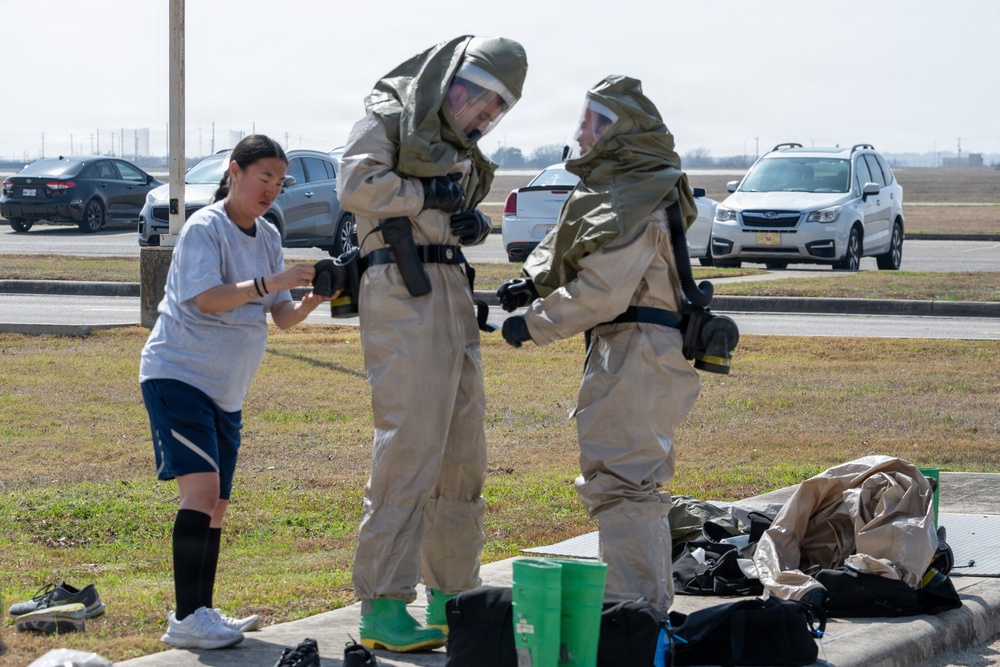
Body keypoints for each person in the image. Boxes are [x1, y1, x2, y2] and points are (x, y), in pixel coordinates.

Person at [337, 35, 527, 652]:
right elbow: (358, 184)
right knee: (410, 447)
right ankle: (383, 604)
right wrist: (428, 196)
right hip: (400, 286)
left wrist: (467, 221)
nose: (486, 118)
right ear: (457, 84)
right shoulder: (388, 117)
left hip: (449, 289)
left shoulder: (453, 143)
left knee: (462, 453)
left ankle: (454, 595)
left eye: (499, 112)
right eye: (484, 103)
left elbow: (446, 206)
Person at [497, 75, 702, 612]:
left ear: (619, 131)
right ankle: (645, 612)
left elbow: (605, 289)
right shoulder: (626, 191)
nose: (581, 132)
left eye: (593, 121)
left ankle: (635, 615)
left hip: (636, 350)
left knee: (623, 484)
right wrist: (533, 282)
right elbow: (586, 249)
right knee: (632, 485)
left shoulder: (636, 198)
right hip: (636, 349)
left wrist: (535, 321)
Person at [139, 134, 330, 650]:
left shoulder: (268, 236)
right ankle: (185, 619)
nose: (271, 189)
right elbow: (206, 299)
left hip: (226, 391)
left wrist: (313, 296)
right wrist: (271, 283)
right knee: (199, 493)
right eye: (263, 177)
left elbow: (284, 318)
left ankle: (201, 611)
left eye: (280, 182)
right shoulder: (207, 227)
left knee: (217, 504)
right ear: (235, 171)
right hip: (179, 375)